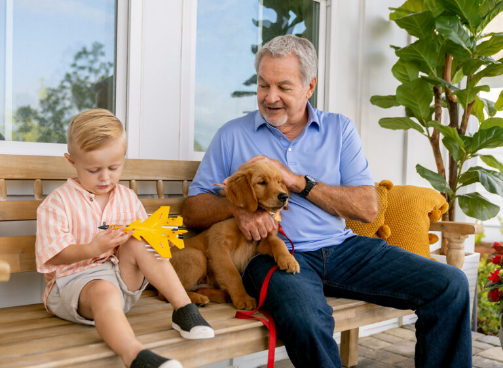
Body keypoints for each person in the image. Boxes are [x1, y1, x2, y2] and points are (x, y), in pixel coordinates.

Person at [182, 35, 472, 368]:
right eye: (263, 85)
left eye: (283, 87)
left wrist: (296, 181)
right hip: (270, 254)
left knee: (451, 285)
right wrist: (238, 209)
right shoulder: (232, 135)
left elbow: (366, 207)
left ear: (310, 87)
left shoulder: (339, 130)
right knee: (307, 319)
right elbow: (193, 210)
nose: (270, 97)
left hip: (343, 249)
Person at [35, 109, 214, 368]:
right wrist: (92, 248)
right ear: (72, 161)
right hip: (72, 285)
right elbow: (53, 255)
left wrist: (160, 237)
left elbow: (144, 238)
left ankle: (183, 309)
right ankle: (135, 355)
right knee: (103, 290)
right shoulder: (58, 203)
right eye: (94, 169)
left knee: (141, 240)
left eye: (114, 167)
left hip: (121, 283)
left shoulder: (126, 197)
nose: (105, 177)